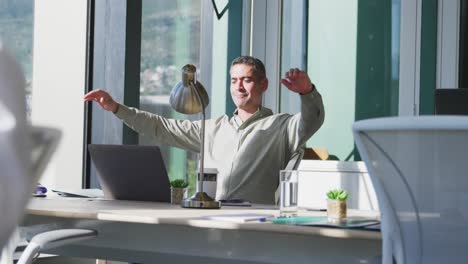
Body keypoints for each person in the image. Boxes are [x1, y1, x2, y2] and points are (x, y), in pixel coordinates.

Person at [84, 56, 324, 204]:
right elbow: (162, 128)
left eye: (247, 80)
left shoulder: (281, 126)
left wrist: (307, 91)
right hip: (210, 219)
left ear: (264, 85)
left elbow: (311, 120)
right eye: (234, 80)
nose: (239, 86)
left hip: (254, 223)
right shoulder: (214, 128)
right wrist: (116, 108)